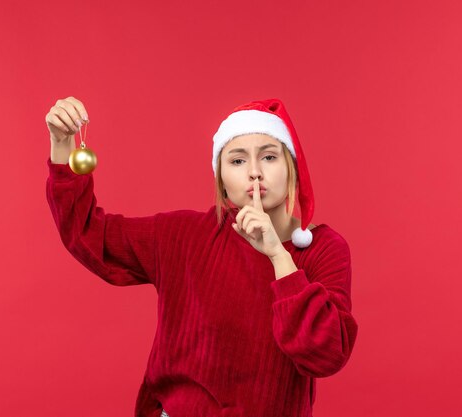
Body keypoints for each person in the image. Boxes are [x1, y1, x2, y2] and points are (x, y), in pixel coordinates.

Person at [45, 97, 358, 417]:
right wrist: (62, 143)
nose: (254, 172)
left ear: (291, 167)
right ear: (221, 180)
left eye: (268, 157)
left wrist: (279, 256)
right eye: (237, 161)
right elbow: (88, 235)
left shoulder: (324, 250)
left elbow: (325, 354)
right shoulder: (183, 235)